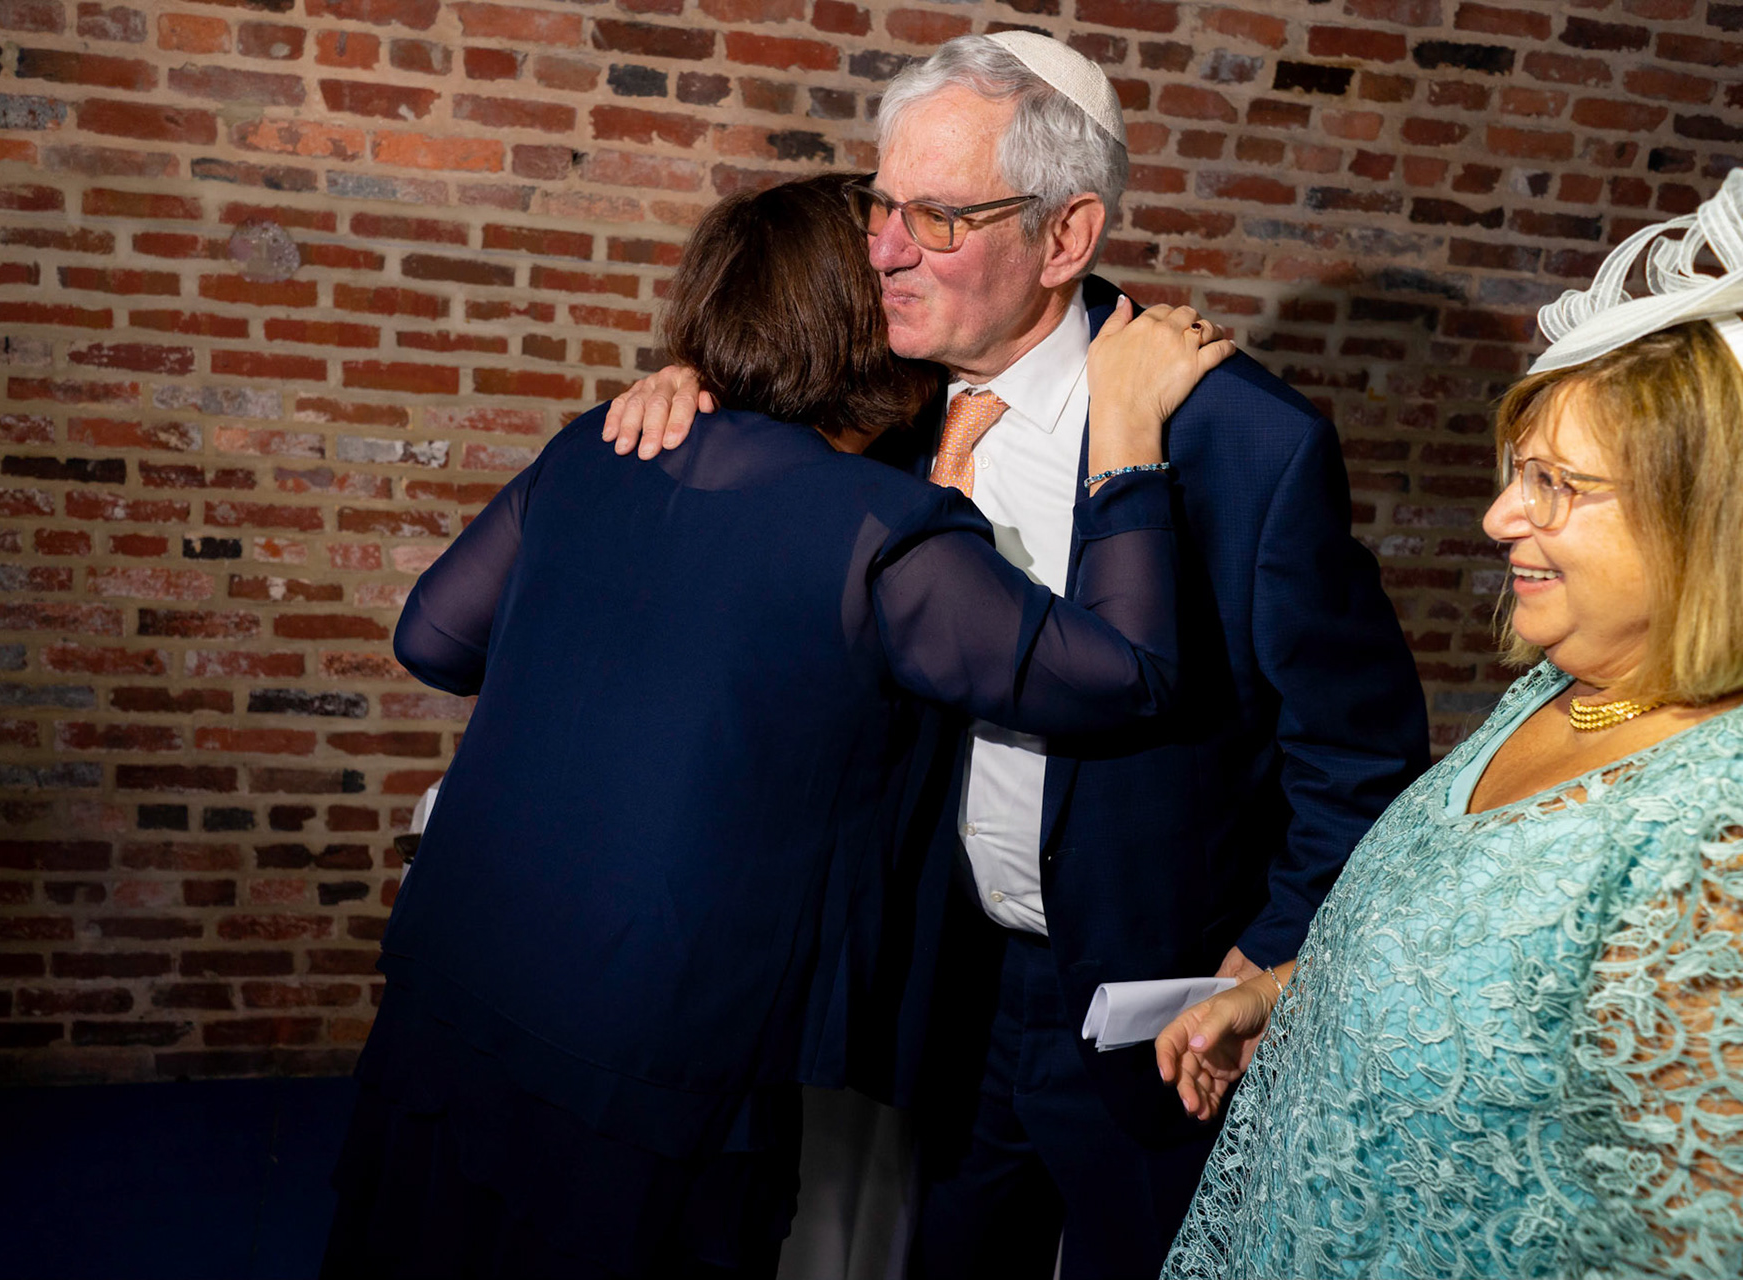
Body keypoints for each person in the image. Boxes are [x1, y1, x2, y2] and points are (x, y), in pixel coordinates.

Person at [603, 32, 1430, 1280]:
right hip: (944, 977)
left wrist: (1268, 964)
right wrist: (687, 387)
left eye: (937, 217)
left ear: (1064, 237)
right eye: (884, 204)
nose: (883, 248)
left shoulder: (1245, 446)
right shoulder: (874, 396)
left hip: (1153, 1003)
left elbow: (1353, 753)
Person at [322, 174, 1235, 1279]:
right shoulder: (880, 532)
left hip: (457, 989)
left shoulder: (598, 446)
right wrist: (1128, 436)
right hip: (652, 1053)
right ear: (861, 321)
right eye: (892, 268)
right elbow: (1127, 674)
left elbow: (432, 638)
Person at [1155, 170, 1743, 1279]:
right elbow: (1486, 972)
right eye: (1516, 473)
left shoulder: (1719, 836)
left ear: (1703, 514)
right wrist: (1286, 997)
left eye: (1556, 483)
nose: (1498, 516)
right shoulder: (1565, 690)